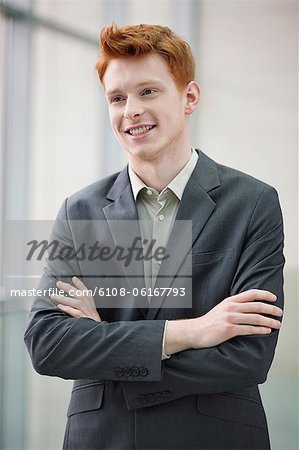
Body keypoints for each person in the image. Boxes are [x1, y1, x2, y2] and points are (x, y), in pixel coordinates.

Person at [24, 23, 284, 450]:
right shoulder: (80, 210)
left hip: (215, 437)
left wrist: (107, 349)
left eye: (148, 92)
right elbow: (48, 343)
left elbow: (248, 356)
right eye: (117, 98)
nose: (131, 111)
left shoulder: (253, 203)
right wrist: (193, 332)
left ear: (189, 98)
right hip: (101, 437)